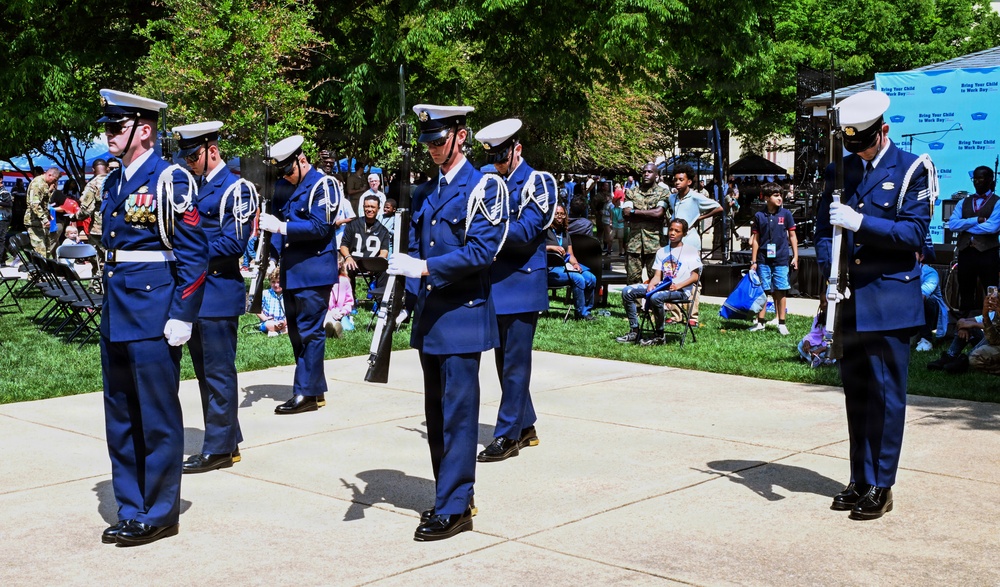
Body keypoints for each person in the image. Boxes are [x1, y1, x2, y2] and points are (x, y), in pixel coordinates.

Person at [386, 103, 507, 541]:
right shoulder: (427, 192)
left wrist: (422, 269)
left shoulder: (485, 188)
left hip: (462, 318)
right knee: (435, 417)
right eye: (429, 143)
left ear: (462, 135)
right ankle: (450, 495)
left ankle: (455, 507)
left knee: (458, 417)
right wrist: (403, 301)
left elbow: (481, 252)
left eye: (440, 141)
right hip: (431, 320)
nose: (434, 150)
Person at [96, 89, 208, 546]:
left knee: (158, 417)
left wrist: (182, 314)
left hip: (153, 312)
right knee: (119, 416)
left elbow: (195, 255)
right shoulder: (112, 183)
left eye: (116, 128)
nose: (108, 136)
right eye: (106, 128)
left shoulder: (170, 181)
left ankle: (160, 512)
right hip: (117, 311)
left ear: (143, 130)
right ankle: (131, 505)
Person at [815, 90, 932, 521]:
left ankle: (882, 484)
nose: (860, 151)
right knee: (858, 396)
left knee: (886, 397)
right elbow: (823, 230)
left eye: (865, 143)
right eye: (853, 145)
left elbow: (914, 236)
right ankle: (859, 478)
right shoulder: (840, 169)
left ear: (883, 131)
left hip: (889, 299)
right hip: (848, 300)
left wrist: (861, 222)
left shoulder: (912, 169)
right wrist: (830, 273)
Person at [173, 121, 255, 474]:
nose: (190, 162)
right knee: (206, 373)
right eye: (187, 157)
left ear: (213, 151)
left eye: (194, 155)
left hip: (218, 291)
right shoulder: (196, 185)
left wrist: (188, 251)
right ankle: (227, 438)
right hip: (198, 292)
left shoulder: (237, 188)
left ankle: (219, 448)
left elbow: (234, 242)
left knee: (218, 372)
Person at [474, 118, 554, 463]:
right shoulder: (490, 180)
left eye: (502, 157)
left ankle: (507, 435)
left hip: (521, 283)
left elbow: (525, 232)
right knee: (505, 361)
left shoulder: (538, 182)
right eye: (493, 158)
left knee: (515, 365)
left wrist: (486, 229)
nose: (497, 164)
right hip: (495, 283)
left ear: (517, 149)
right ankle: (526, 425)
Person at [258, 135, 339, 414]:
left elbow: (320, 227)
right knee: (296, 332)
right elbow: (274, 226)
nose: (287, 177)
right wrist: (271, 257)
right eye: (283, 173)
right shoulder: (283, 186)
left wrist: (281, 228)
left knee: (310, 332)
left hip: (315, 271)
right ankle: (314, 390)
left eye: (290, 170)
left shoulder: (323, 185)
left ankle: (305, 392)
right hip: (291, 271)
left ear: (302, 160)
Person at [616, 218, 702, 345]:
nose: (672, 233)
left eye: (677, 231)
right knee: (627, 291)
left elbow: (695, 277)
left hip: (681, 290)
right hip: (663, 287)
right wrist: (651, 284)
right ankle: (634, 330)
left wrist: (678, 285)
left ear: (684, 234)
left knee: (656, 297)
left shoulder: (690, 251)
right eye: (671, 229)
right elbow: (657, 275)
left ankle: (659, 335)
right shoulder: (662, 251)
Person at [669, 163, 722, 324]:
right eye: (675, 179)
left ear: (689, 181)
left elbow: (718, 208)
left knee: (692, 277)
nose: (677, 182)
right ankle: (677, 314)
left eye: (681, 179)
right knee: (673, 276)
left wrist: (699, 218)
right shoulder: (672, 198)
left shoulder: (696, 197)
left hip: (691, 241)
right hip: (674, 243)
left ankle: (692, 315)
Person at [947, 166, 999, 317]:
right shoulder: (963, 202)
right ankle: (964, 331)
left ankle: (990, 329)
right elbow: (953, 225)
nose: (976, 182)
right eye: (974, 179)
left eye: (980, 179)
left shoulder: (997, 202)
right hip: (966, 253)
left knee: (991, 293)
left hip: (988, 253)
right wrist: (976, 220)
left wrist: (966, 226)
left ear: (990, 180)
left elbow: (992, 227)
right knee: (965, 293)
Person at [748, 182, 798, 336]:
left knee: (781, 290)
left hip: (781, 258)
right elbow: (755, 239)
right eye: (776, 195)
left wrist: (795, 256)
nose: (780, 198)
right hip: (763, 259)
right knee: (763, 290)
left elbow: (792, 236)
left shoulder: (786, 214)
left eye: (780, 195)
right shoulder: (759, 216)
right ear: (767, 198)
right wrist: (754, 261)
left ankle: (781, 322)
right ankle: (760, 322)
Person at [927, 291, 999, 374]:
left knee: (987, 333)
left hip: (993, 343)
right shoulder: (992, 313)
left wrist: (972, 324)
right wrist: (963, 327)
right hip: (983, 342)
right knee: (969, 327)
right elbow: (962, 321)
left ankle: (965, 360)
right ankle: (950, 356)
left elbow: (994, 331)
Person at [547, 204, 597, 320]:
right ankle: (580, 314)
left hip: (566, 266)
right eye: (556, 214)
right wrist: (551, 248)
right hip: (551, 269)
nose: (559, 217)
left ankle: (587, 310)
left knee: (591, 278)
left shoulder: (565, 233)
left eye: (562, 214)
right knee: (578, 279)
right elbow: (536, 248)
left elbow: (571, 254)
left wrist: (575, 264)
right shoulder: (545, 231)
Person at [622, 162, 669, 284]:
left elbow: (658, 213)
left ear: (656, 175)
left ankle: (653, 303)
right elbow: (626, 213)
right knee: (632, 280)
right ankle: (635, 304)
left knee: (656, 280)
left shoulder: (663, 192)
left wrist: (635, 212)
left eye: (650, 172)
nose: (646, 174)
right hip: (634, 244)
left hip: (655, 244)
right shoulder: (631, 192)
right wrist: (649, 213)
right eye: (644, 172)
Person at [340, 193, 391, 288]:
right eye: (367, 206)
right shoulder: (352, 225)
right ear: (363, 207)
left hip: (372, 262)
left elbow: (384, 252)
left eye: (372, 207)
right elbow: (344, 245)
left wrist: (375, 264)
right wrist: (348, 257)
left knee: (385, 271)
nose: (369, 209)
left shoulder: (383, 230)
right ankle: (350, 299)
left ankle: (380, 299)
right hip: (355, 261)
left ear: (378, 209)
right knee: (346, 267)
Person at [77, 159, 109, 269]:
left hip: (98, 227)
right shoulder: (117, 181)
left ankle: (97, 284)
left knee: (98, 257)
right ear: (107, 168)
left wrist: (76, 216)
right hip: (115, 225)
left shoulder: (92, 184)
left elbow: (86, 209)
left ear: (93, 169)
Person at [917, 245, 948, 351]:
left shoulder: (930, 273)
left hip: (932, 313)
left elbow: (921, 296)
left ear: (921, 257)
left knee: (927, 300)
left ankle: (926, 339)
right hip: (909, 311)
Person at [24, 167, 59, 256]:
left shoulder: (45, 184)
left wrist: (47, 215)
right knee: (40, 251)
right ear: (49, 174)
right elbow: (34, 204)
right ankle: (40, 269)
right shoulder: (37, 184)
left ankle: (45, 269)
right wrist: (44, 219)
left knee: (47, 250)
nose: (54, 182)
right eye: (54, 180)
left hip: (41, 222)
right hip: (34, 221)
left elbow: (44, 201)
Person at [324, 263, 355, 339]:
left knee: (348, 328)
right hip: (328, 312)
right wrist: (330, 311)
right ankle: (330, 329)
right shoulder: (323, 281)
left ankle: (337, 329)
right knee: (328, 321)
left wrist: (343, 312)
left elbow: (349, 302)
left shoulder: (345, 281)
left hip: (341, 312)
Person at [798, 303, 833, 368]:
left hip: (835, 348)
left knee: (833, 355)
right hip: (825, 345)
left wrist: (821, 349)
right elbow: (814, 334)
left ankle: (815, 358)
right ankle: (815, 357)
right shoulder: (819, 318)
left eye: (827, 302)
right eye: (822, 301)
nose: (824, 304)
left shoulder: (838, 319)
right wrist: (807, 341)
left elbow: (839, 343)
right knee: (801, 344)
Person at [258, 267, 288, 335]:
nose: (276, 285)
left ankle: (277, 331)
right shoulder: (265, 293)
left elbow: (292, 311)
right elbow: (257, 309)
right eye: (273, 282)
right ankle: (278, 331)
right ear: (269, 282)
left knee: (293, 324)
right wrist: (265, 318)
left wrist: (284, 322)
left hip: (283, 321)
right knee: (269, 325)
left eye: (279, 282)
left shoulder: (288, 295)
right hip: (268, 321)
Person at [0, 185, 12, 266]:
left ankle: (1, 260)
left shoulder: (4, 192)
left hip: (3, 219)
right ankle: (4, 258)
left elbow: (9, 204)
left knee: (1, 239)